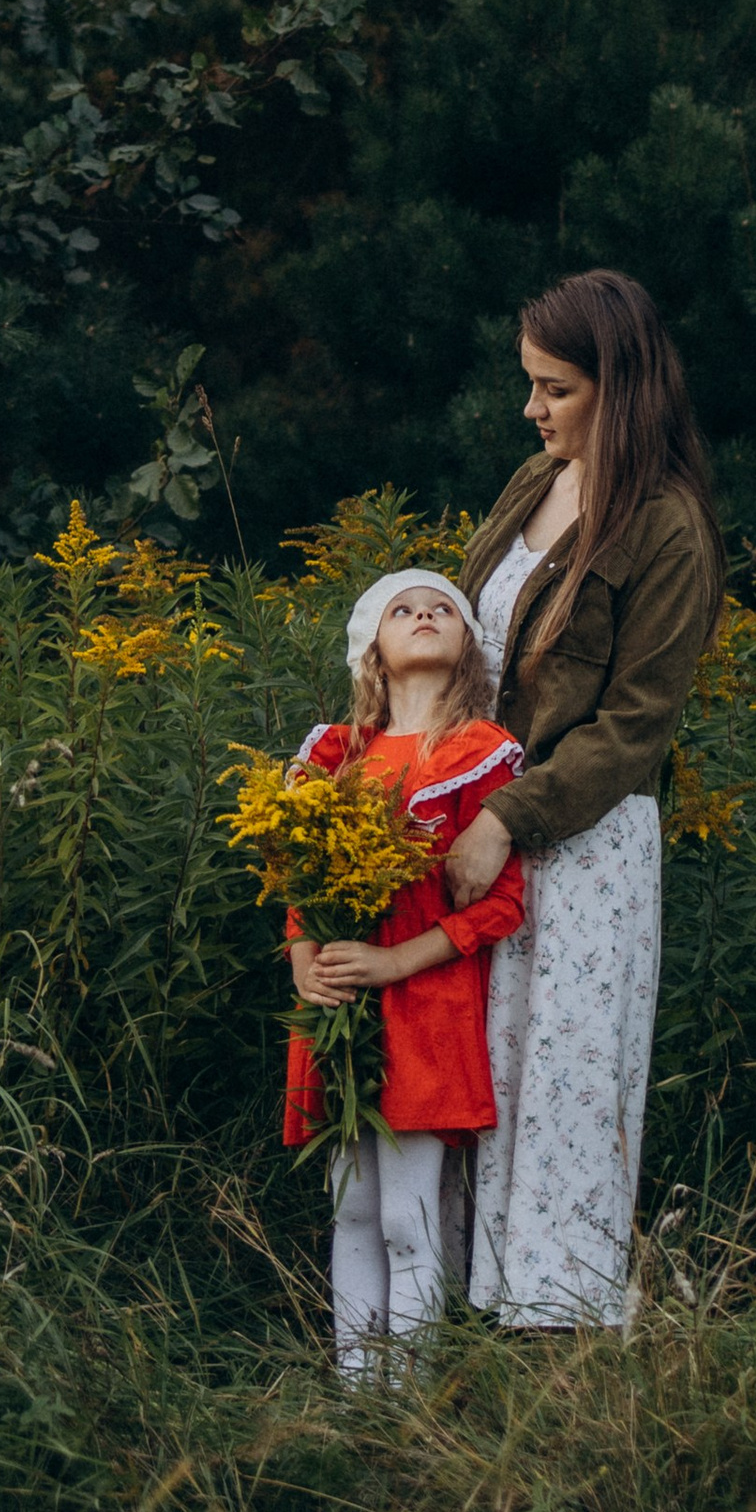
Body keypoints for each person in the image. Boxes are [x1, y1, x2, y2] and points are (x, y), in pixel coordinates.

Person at [441, 270, 725, 1328]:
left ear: (622, 385)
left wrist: (507, 819)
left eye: (554, 389)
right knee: (476, 1075)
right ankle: (455, 1314)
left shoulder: (667, 530)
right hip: (475, 825)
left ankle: (555, 1331)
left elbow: (633, 729)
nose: (533, 410)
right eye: (531, 387)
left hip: (583, 846)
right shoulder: (531, 483)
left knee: (560, 1086)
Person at [284, 571, 527, 1375]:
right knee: (351, 1208)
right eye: (402, 608)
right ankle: (358, 1392)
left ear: (466, 651)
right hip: (341, 1009)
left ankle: (412, 1402)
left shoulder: (478, 754)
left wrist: (394, 961)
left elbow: (499, 907)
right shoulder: (336, 754)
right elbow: (298, 879)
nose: (424, 614)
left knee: (408, 1218)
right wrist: (304, 965)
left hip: (425, 1006)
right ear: (373, 652)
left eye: (443, 608)